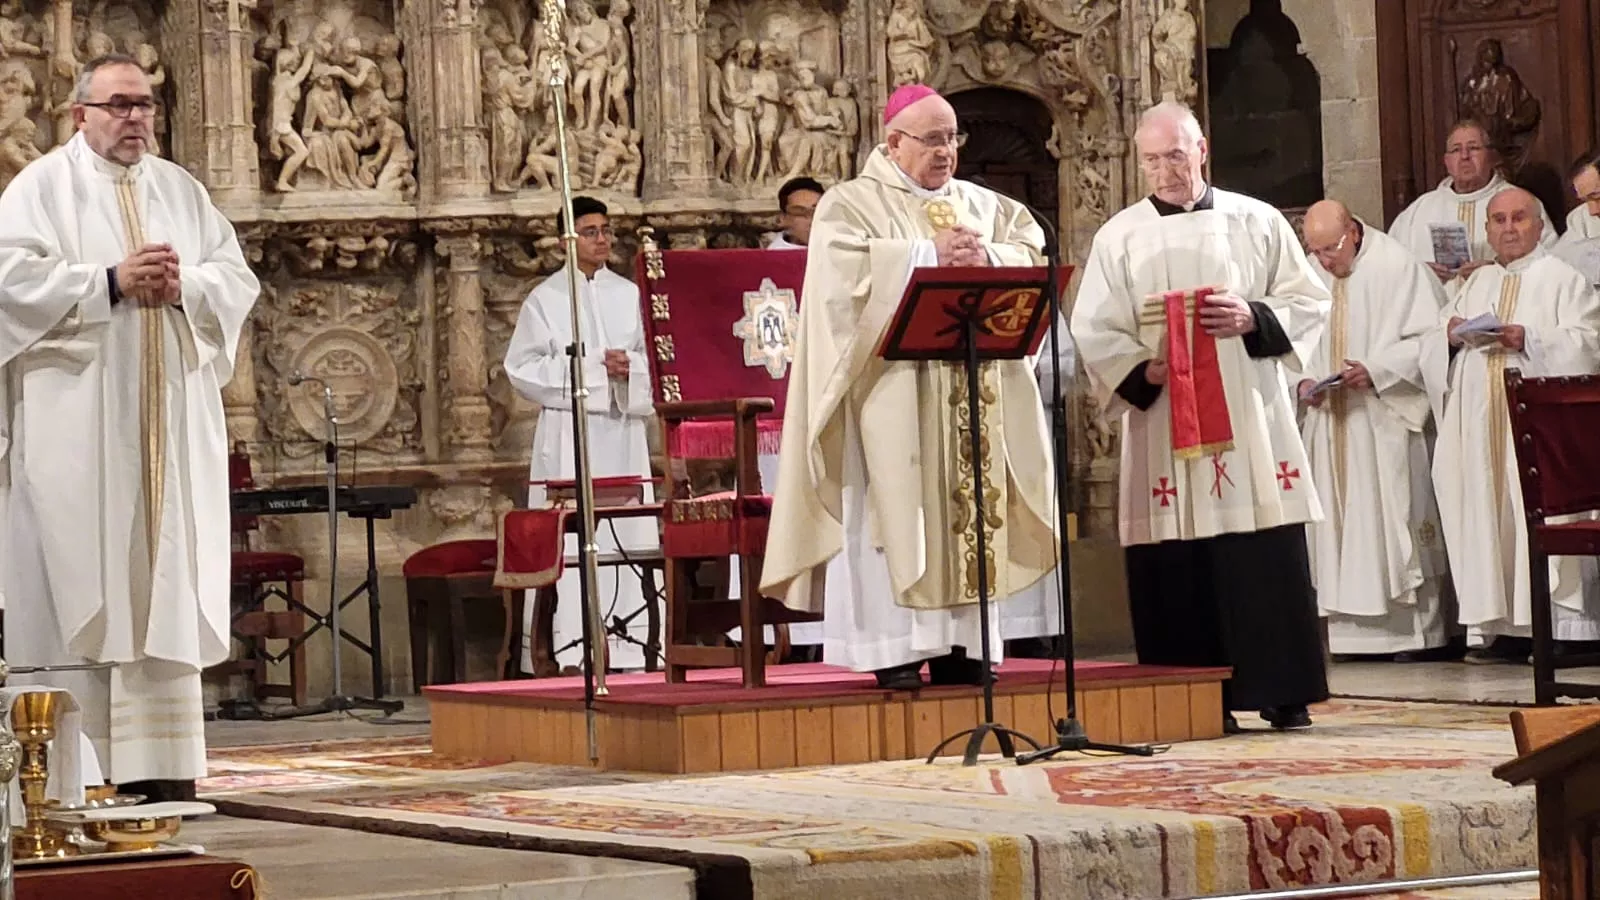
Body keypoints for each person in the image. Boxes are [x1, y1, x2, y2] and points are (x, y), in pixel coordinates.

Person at [0, 55, 259, 801]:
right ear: (79, 113)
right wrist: (107, 283)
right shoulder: (41, 189)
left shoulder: (181, 191)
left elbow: (234, 278)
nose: (135, 118)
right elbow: (9, 285)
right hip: (77, 432)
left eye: (144, 104)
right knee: (77, 580)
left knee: (163, 581)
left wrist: (189, 287)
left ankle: (162, 771)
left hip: (168, 433)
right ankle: (59, 780)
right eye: (118, 105)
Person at [760, 84, 1063, 689]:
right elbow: (837, 286)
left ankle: (965, 647)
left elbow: (1030, 251)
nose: (946, 151)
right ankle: (892, 648)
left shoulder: (986, 205)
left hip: (974, 393)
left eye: (953, 138)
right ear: (893, 141)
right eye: (932, 139)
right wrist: (925, 253)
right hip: (891, 395)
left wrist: (989, 261)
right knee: (895, 512)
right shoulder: (850, 205)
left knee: (971, 509)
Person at [1070, 101, 1331, 732]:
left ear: (1202, 149)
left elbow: (1308, 300)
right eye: (1152, 159)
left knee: (1259, 549)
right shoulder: (1119, 236)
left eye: (1176, 155)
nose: (1165, 170)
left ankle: (1281, 689)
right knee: (1177, 552)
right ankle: (1189, 696)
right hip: (1164, 420)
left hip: (1247, 414)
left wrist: (1255, 317)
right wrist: (1141, 368)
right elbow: (1093, 325)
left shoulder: (1257, 220)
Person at [1423, 187, 1600, 663]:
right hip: (1480, 434)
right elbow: (1432, 346)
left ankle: (1561, 629)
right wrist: (1452, 335)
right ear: (1486, 231)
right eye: (1498, 220)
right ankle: (1497, 626)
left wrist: (1530, 338)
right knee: (1486, 516)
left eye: (1518, 218)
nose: (1507, 228)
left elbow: (1590, 343)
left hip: (1540, 436)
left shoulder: (1564, 278)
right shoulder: (1474, 285)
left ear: (1540, 225)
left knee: (1535, 516)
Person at [503, 196, 657, 673]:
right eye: (590, 231)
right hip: (571, 433)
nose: (602, 239)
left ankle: (633, 646)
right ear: (566, 239)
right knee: (572, 538)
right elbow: (521, 369)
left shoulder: (630, 294)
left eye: (607, 230)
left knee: (630, 533)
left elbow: (656, 355)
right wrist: (592, 368)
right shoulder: (546, 299)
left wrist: (630, 367)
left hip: (623, 426)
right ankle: (570, 643)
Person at [1297, 200, 1452, 660]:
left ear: (1354, 232)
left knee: (1391, 518)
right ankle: (1344, 634)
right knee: (1337, 526)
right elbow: (1291, 341)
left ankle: (1410, 636)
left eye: (1331, 249)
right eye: (1316, 251)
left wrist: (1379, 371)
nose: (1324, 261)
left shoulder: (1398, 267)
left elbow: (1431, 338)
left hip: (1383, 420)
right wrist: (1303, 381)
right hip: (1328, 422)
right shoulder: (1307, 274)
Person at [1389, 119, 1555, 294]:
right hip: (1434, 313)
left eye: (1474, 148)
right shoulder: (1419, 210)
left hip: (1500, 311)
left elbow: (1551, 262)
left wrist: (1498, 271)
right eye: (1456, 150)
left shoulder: (1520, 202)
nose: (1465, 156)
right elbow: (1390, 268)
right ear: (1446, 161)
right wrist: (1421, 273)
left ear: (1491, 156)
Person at [1553, 149, 1600, 284]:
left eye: (1597, 197)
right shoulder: (1581, 218)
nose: (1592, 211)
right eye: (1585, 200)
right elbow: (1559, 263)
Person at [767, 176, 823, 250]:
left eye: (816, 212)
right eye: (800, 213)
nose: (811, 221)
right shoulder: (772, 256)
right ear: (782, 219)